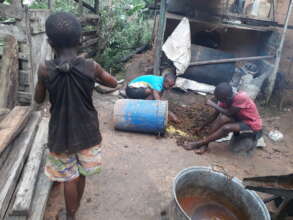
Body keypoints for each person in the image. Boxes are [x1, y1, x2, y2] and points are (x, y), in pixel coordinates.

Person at [34, 12, 117, 220]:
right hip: (87, 132)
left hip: (60, 135)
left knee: (68, 178)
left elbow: (38, 98)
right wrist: (96, 73)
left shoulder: (45, 69)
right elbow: (113, 83)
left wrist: (43, 81)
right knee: (80, 174)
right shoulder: (91, 66)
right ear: (80, 40)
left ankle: (70, 216)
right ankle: (74, 210)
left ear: (50, 42)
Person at [183, 82, 262, 154]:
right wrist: (201, 127)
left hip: (251, 123)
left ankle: (198, 143)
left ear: (226, 98)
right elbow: (214, 116)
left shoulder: (241, 97)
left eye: (219, 99)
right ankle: (205, 145)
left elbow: (229, 113)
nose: (218, 100)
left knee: (226, 128)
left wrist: (212, 104)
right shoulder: (224, 101)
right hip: (239, 119)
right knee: (221, 119)